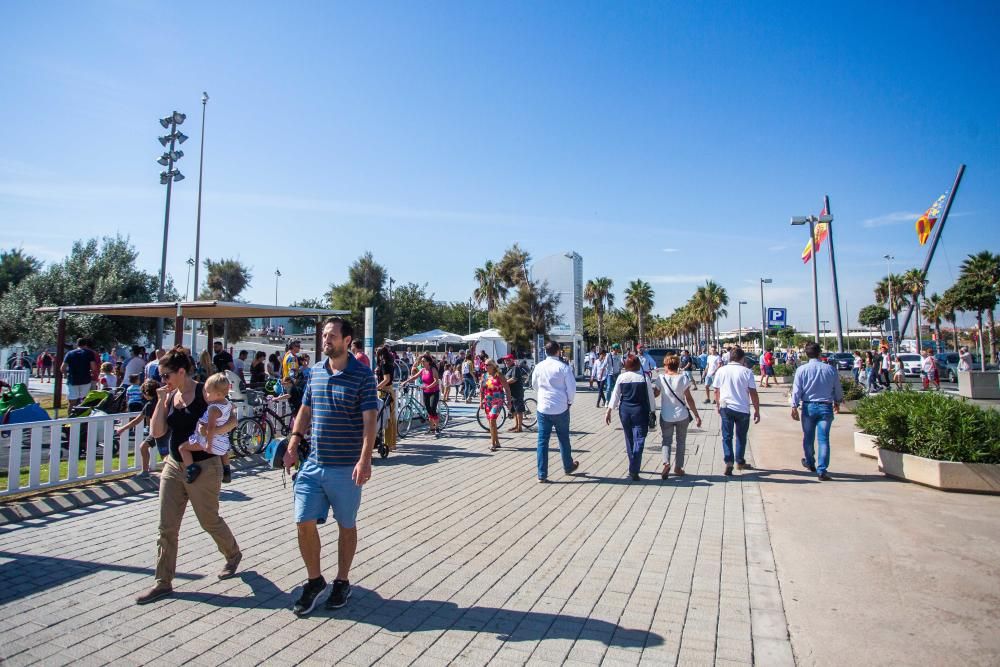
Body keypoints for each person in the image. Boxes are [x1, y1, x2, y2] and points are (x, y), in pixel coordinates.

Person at [284, 318, 378, 616]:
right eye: (324, 335)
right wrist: (294, 440)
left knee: (346, 525)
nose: (326, 339)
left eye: (332, 335)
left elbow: (370, 422)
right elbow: (306, 409)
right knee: (303, 521)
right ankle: (314, 580)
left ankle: (342, 580)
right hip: (313, 463)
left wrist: (365, 459)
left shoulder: (363, 376)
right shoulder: (315, 372)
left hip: (345, 467)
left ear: (347, 340)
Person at [135, 347, 242, 605]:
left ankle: (232, 554)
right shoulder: (170, 396)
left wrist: (214, 433)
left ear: (181, 372)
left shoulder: (205, 392)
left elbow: (233, 419)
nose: (163, 380)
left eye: (166, 375)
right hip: (174, 465)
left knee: (209, 520)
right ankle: (163, 581)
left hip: (205, 467)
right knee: (166, 526)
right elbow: (159, 432)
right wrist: (161, 401)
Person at [790, 342, 843, 481]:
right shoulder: (830, 369)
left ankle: (809, 461)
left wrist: (794, 406)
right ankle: (822, 470)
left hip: (808, 407)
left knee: (808, 437)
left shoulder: (802, 370)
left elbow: (797, 390)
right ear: (820, 353)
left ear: (806, 354)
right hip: (825, 406)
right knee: (823, 439)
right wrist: (837, 401)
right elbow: (837, 388)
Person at [533, 340, 581, 482]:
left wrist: (542, 395)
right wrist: (569, 402)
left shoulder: (539, 366)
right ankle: (568, 466)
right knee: (563, 438)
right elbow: (571, 388)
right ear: (558, 351)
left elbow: (534, 385)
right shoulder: (563, 367)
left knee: (542, 441)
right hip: (561, 407)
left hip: (543, 408)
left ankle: (542, 474)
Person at [605, 355, 656, 481]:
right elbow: (650, 397)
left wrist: (609, 410)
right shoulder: (644, 378)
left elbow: (615, 394)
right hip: (640, 411)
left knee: (629, 439)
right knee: (640, 439)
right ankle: (634, 468)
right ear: (638, 365)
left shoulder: (622, 377)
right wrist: (653, 412)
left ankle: (632, 464)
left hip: (625, 411)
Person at [713, 346, 760, 476]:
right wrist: (757, 410)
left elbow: (716, 390)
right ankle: (739, 461)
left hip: (726, 407)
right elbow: (753, 392)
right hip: (743, 408)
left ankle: (729, 461)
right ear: (742, 358)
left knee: (727, 436)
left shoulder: (721, 371)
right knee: (741, 436)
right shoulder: (747, 372)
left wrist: (718, 405)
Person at [653, 354, 702, 479]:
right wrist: (696, 415)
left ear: (666, 366)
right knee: (681, 442)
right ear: (677, 365)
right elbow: (689, 399)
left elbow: (656, 394)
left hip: (666, 415)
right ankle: (678, 467)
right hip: (682, 415)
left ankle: (666, 463)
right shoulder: (683, 378)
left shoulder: (661, 378)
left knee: (666, 441)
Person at [116, 379, 169, 479]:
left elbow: (137, 420)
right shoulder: (164, 399)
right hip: (166, 430)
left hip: (158, 432)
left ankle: (170, 475)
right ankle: (145, 471)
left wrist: (123, 428)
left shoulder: (149, 405)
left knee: (165, 456)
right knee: (144, 447)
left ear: (146, 393)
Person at [405, 354, 443, 438]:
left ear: (428, 362)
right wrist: (405, 382)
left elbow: (436, 381)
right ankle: (431, 428)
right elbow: (414, 377)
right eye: (421, 361)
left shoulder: (432, 369)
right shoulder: (422, 370)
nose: (422, 362)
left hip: (434, 391)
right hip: (426, 392)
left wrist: (428, 387)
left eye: (423, 361)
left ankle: (437, 428)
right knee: (428, 410)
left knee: (432, 408)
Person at [479, 360, 510, 450]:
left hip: (498, 400)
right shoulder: (484, 376)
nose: (485, 366)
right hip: (488, 401)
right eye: (485, 365)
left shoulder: (499, 375)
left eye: (488, 365)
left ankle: (493, 444)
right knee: (491, 422)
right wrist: (481, 402)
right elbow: (481, 390)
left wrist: (509, 402)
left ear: (493, 366)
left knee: (492, 419)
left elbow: (507, 389)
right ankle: (497, 442)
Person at [62, 338, 99, 407]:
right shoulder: (89, 353)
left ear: (77, 344)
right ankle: (83, 415)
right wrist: (92, 374)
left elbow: (62, 368)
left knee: (72, 402)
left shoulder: (70, 353)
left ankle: (71, 416)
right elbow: (93, 367)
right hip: (85, 379)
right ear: (86, 344)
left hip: (72, 380)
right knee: (84, 400)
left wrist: (66, 375)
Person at [375, 346, 398, 452]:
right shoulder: (390, 362)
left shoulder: (384, 364)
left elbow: (386, 379)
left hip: (385, 392)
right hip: (389, 390)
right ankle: (392, 442)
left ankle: (389, 443)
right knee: (390, 418)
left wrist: (376, 387)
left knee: (387, 418)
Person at [502, 354, 528, 433]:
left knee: (518, 410)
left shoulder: (515, 368)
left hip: (517, 392)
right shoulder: (509, 369)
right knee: (514, 411)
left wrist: (504, 382)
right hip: (511, 393)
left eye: (508, 360)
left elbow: (514, 379)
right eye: (505, 360)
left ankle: (519, 428)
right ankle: (516, 425)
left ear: (512, 360)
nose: (506, 361)